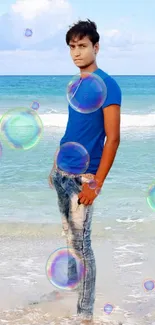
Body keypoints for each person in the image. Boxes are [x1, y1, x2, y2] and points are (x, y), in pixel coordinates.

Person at [49, 19, 122, 324]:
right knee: (69, 237)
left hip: (84, 179)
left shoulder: (108, 85)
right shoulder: (76, 85)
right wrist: (55, 163)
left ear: (96, 47)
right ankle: (69, 292)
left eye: (82, 46)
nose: (76, 53)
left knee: (83, 246)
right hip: (62, 173)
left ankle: (84, 314)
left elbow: (113, 138)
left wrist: (97, 184)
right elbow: (75, 128)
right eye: (72, 47)